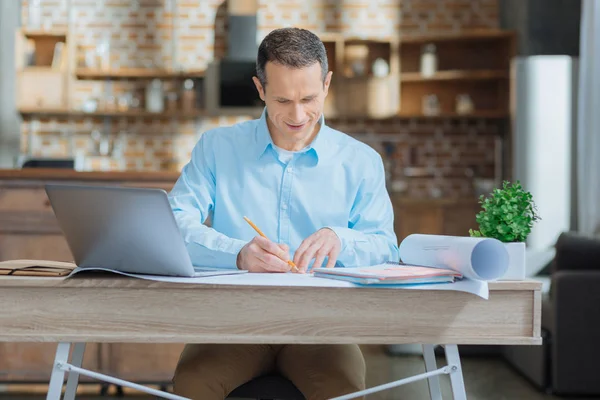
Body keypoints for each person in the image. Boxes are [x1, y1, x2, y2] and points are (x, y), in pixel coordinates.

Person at [168, 27, 400, 400]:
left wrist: (342, 238)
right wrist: (238, 254)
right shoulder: (217, 148)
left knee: (343, 390)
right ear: (259, 89)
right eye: (282, 99)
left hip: (323, 328)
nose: (297, 115)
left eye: (309, 98)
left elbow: (386, 247)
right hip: (233, 326)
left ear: (326, 84)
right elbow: (174, 225)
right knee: (194, 383)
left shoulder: (361, 162)